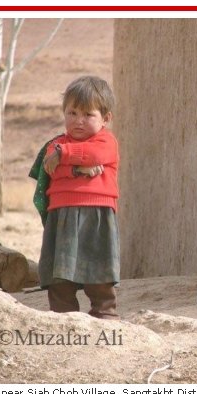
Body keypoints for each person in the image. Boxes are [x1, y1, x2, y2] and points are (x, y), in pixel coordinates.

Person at [29, 75, 120, 319]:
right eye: (72, 113)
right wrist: (77, 169)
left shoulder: (106, 141)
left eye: (88, 115)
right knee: (60, 273)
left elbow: (95, 154)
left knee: (98, 270)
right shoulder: (54, 145)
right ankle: (63, 318)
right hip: (61, 215)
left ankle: (105, 315)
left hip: (97, 214)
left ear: (106, 118)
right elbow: (50, 168)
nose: (78, 121)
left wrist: (65, 155)